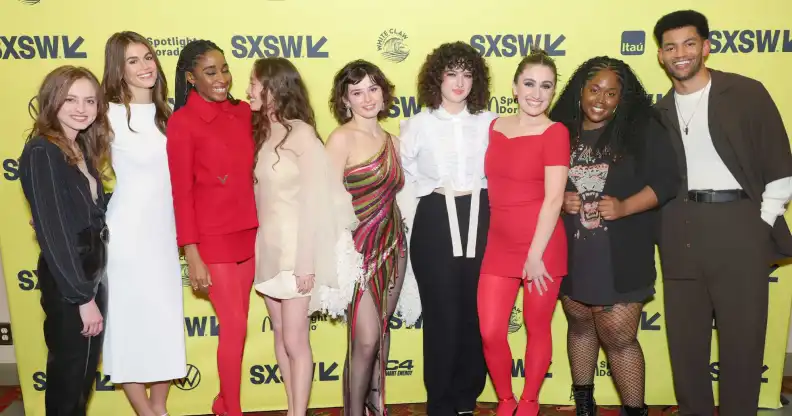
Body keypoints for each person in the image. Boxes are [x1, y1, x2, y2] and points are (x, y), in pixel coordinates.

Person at [651, 10, 792, 416]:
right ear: (661, 55)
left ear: (706, 46)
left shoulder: (746, 93)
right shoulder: (658, 113)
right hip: (680, 230)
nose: (681, 54)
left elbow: (780, 164)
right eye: (671, 46)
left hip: (740, 224)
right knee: (686, 345)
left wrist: (760, 222)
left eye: (689, 43)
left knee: (743, 342)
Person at [549, 56, 680, 416]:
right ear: (580, 91)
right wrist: (560, 200)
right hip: (572, 253)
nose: (601, 100)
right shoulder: (559, 129)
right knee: (579, 327)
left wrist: (624, 207)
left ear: (623, 98)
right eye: (594, 90)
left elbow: (667, 182)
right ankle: (585, 408)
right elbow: (534, 183)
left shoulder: (644, 129)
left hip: (622, 253)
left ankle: (635, 411)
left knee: (620, 339)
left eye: (611, 93)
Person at [248, 56, 363, 415]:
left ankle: (299, 412)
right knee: (281, 337)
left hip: (296, 254)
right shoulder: (263, 132)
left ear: (274, 88)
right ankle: (291, 407)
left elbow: (318, 204)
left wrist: (306, 263)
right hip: (267, 252)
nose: (247, 89)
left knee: (296, 340)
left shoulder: (303, 135)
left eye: (253, 83)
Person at [398, 41, 496, 416]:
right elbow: (404, 181)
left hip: (481, 215)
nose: (460, 82)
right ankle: (439, 402)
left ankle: (466, 398)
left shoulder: (489, 122)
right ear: (436, 77)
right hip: (436, 219)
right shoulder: (417, 125)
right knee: (441, 314)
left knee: (476, 312)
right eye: (452, 73)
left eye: (468, 74)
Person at [166, 39, 258, 416]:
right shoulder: (182, 122)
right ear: (190, 78)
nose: (221, 78)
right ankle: (231, 409)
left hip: (251, 232)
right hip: (213, 238)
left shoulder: (244, 112)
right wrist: (192, 251)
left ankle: (223, 402)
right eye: (210, 72)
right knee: (234, 325)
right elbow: (181, 192)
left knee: (241, 324)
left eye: (224, 69)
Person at [325, 59, 420, 416]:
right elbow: (325, 202)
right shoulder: (341, 139)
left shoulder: (396, 142)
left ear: (384, 93)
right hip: (355, 251)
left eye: (373, 89)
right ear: (345, 100)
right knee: (364, 340)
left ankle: (376, 408)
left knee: (380, 334)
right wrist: (336, 256)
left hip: (394, 247)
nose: (367, 98)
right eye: (357, 92)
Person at [477, 50, 569, 416]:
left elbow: (554, 199)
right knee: (490, 331)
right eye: (529, 83)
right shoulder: (494, 126)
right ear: (514, 88)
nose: (536, 93)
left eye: (546, 86)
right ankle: (505, 398)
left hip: (542, 247)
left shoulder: (555, 132)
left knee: (537, 327)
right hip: (499, 245)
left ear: (553, 92)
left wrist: (534, 255)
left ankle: (529, 400)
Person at [99, 31, 187, 416]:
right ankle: (146, 412)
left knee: (165, 320)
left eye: (147, 56)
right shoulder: (104, 114)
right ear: (118, 69)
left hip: (165, 235)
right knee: (128, 324)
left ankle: (161, 407)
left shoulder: (173, 114)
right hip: (127, 236)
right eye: (132, 60)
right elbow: (76, 165)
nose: (144, 66)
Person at [19, 65, 112, 415]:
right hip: (71, 283)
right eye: (71, 99)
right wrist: (82, 298)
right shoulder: (43, 151)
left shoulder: (79, 148)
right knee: (68, 381)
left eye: (90, 100)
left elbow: (84, 214)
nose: (82, 108)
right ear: (52, 101)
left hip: (89, 276)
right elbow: (56, 235)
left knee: (81, 382)